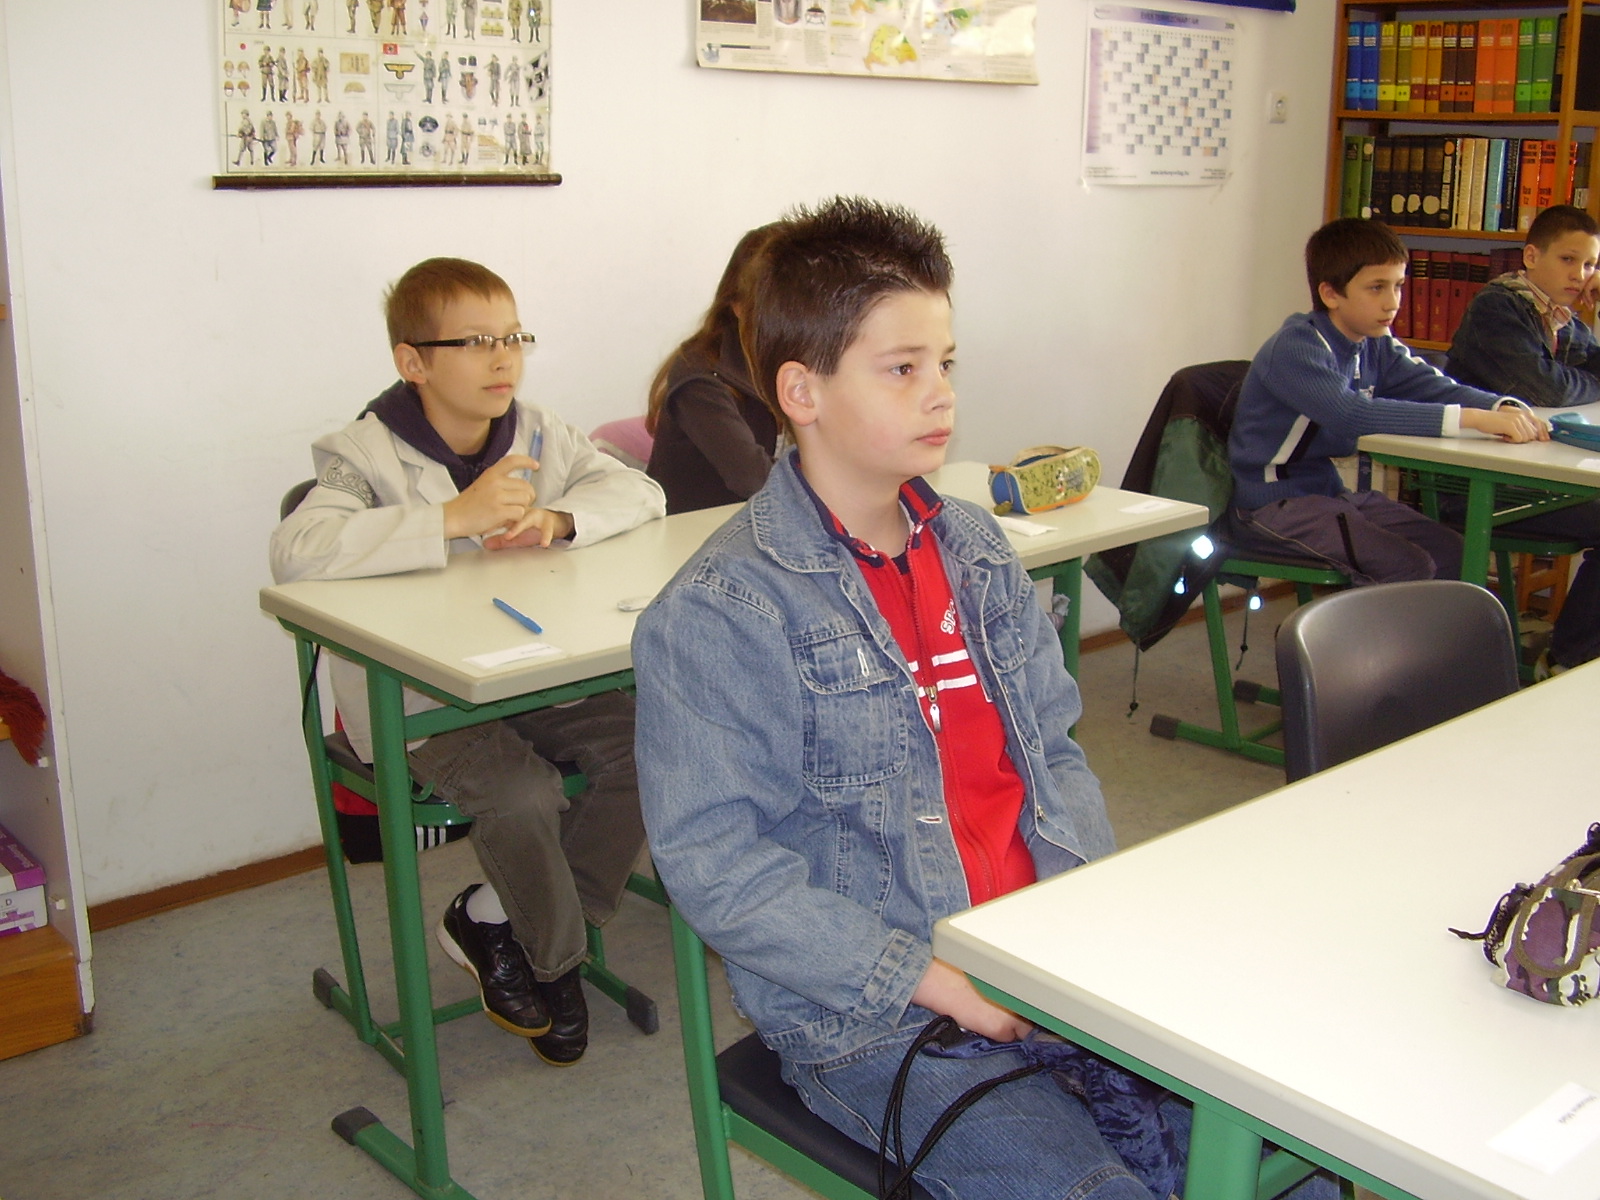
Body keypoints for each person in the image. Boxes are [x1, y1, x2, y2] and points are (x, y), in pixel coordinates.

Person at [634, 197, 1329, 1200]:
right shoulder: (722, 609)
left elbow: (1052, 750)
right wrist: (934, 981)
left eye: (946, 362)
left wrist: (1079, 921)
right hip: (875, 1012)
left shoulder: (974, 549)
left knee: (1290, 1157)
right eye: (901, 368)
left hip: (1041, 954)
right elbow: (719, 869)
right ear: (801, 390)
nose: (940, 393)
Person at [271, 258, 665, 1066]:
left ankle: (497, 920)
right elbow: (298, 549)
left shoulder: (541, 433)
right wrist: (449, 518)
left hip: (529, 672)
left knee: (648, 746)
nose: (503, 359)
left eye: (514, 338)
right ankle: (555, 962)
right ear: (412, 361)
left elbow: (640, 493)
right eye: (476, 342)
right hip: (416, 699)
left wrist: (558, 519)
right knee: (523, 793)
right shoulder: (362, 453)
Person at [1229, 217, 1547, 587]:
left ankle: (1435, 629)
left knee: (1454, 553)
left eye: (1398, 286)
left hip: (1328, 494)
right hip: (1270, 505)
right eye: (1376, 288)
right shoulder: (1296, 347)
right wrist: (1472, 419)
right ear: (1330, 294)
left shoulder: (1374, 342)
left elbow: (1432, 386)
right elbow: (1351, 415)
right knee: (1407, 565)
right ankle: (1364, 629)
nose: (1393, 302)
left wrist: (1502, 407)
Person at [1444, 203, 1600, 671]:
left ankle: (1576, 654)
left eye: (1590, 265)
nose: (1579, 274)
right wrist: (1586, 380)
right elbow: (1547, 389)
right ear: (1531, 256)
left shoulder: (1563, 319)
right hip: (1473, 485)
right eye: (1568, 259)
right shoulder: (1498, 307)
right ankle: (1569, 660)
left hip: (1530, 473)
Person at [644, 224, 780, 513]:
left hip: (755, 522)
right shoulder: (700, 377)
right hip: (695, 531)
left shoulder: (808, 361)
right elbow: (752, 478)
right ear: (738, 305)